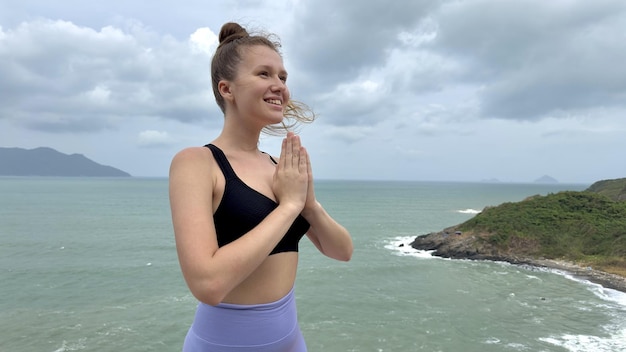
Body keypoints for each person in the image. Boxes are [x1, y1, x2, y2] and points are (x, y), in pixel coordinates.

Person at [168, 22, 353, 351]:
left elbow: (342, 251)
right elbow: (207, 284)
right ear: (227, 89)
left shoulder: (278, 167)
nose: (279, 85)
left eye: (283, 77)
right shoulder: (197, 163)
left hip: (291, 341)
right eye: (264, 74)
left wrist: (309, 204)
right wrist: (289, 207)